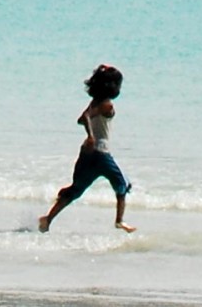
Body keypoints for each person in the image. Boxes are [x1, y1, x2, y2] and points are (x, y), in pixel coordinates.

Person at [39, 64, 136, 233]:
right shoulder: (107, 105)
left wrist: (90, 132)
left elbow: (81, 119)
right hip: (101, 154)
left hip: (87, 154)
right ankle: (119, 221)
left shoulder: (95, 103)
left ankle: (47, 219)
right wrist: (91, 136)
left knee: (76, 190)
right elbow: (84, 118)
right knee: (122, 185)